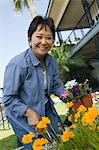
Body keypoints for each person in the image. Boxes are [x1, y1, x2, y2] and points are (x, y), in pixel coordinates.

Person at [3, 16, 67, 149]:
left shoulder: (51, 62)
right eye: (39, 36)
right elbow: (8, 99)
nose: (44, 42)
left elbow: (55, 86)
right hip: (22, 115)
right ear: (29, 39)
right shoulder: (17, 64)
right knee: (37, 145)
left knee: (60, 139)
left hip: (46, 109)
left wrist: (69, 96)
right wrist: (29, 113)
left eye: (48, 37)